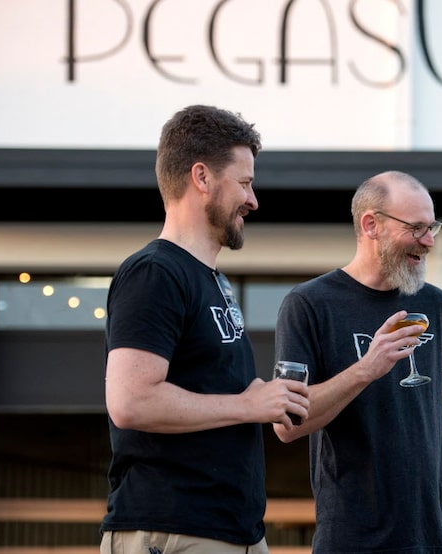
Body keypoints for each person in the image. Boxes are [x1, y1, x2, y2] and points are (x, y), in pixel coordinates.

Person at [99, 104, 309, 554]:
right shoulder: (154, 273)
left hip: (235, 532)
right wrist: (247, 404)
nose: (253, 200)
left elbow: (216, 389)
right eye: (246, 183)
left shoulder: (212, 280)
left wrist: (265, 398)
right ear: (202, 177)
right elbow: (131, 401)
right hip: (177, 531)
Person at [272, 170, 442, 554]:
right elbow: (286, 425)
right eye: (416, 228)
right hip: (351, 541)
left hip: (432, 540)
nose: (429, 241)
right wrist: (367, 368)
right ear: (371, 225)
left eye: (432, 227)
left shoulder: (435, 304)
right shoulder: (310, 305)